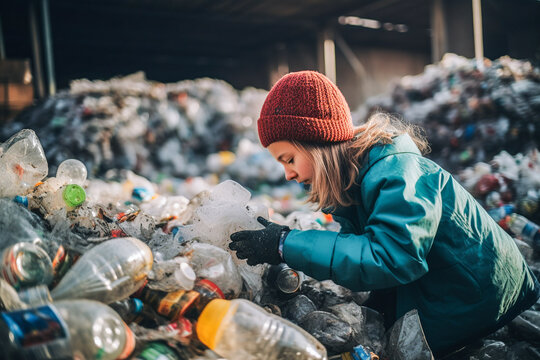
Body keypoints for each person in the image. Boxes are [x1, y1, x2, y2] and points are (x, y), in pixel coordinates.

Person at [228, 70, 540, 357]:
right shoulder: (353, 182)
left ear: (318, 142)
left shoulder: (398, 172)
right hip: (442, 287)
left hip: (479, 296)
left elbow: (392, 257)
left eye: (289, 159)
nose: (288, 175)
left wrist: (285, 244)